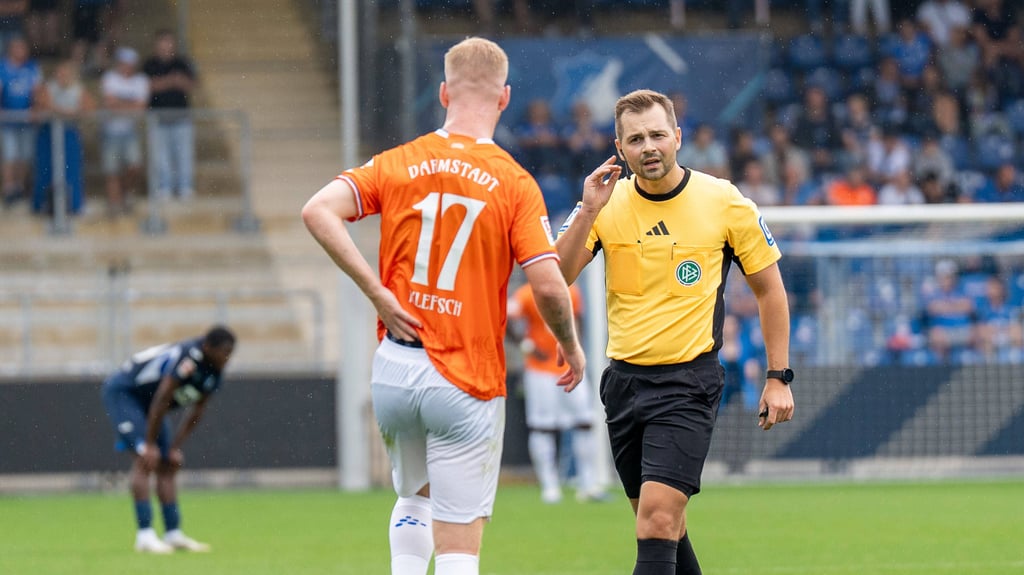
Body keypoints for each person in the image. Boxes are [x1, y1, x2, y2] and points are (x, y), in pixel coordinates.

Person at [301, 37, 585, 575]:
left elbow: (318, 211)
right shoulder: (514, 182)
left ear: (442, 93)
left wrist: (377, 292)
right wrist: (570, 346)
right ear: (505, 98)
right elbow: (548, 285)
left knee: (412, 500)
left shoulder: (398, 162)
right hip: (465, 375)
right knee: (459, 539)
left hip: (396, 367)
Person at [555, 89, 794, 575]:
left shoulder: (724, 201)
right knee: (664, 524)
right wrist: (586, 211)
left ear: (678, 137)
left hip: (688, 384)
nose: (650, 147)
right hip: (623, 384)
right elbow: (554, 278)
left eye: (658, 134)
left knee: (657, 521)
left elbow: (771, 291)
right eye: (636, 138)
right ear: (619, 149)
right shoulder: (603, 204)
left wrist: (778, 376)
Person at [100, 325, 237, 554]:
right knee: (146, 458)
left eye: (230, 353)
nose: (226, 358)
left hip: (152, 404)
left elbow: (197, 411)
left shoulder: (216, 370)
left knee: (169, 463)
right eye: (223, 352)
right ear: (207, 347)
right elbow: (164, 396)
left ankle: (173, 533)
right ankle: (145, 536)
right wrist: (150, 444)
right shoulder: (189, 357)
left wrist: (174, 447)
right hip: (127, 394)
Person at [507, 282, 602, 504]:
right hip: (539, 370)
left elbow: (578, 322)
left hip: (569, 365)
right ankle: (550, 487)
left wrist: (576, 349)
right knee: (543, 426)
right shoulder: (527, 293)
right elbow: (507, 319)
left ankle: (588, 483)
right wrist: (526, 346)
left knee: (585, 421)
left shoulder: (572, 291)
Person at [143, 29, 197, 200]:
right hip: (158, 117)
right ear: (156, 44)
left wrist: (166, 82)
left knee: (183, 154)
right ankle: (164, 187)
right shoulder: (149, 64)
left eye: (169, 42)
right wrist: (172, 81)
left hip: (181, 116)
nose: (165, 46)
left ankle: (185, 187)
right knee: (161, 156)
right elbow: (149, 86)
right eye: (162, 42)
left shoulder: (182, 62)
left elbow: (191, 85)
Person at [100, 46, 148, 215]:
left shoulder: (141, 80)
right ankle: (114, 203)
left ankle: (125, 193)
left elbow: (140, 107)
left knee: (134, 166)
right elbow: (110, 104)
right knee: (111, 170)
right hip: (111, 131)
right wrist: (130, 106)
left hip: (130, 131)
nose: (124, 66)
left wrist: (120, 105)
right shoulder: (110, 78)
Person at [0, 35, 42, 207]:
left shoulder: (32, 67)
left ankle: (19, 186)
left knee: (25, 156)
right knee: (10, 154)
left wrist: (36, 108)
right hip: (8, 120)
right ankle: (8, 188)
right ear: (12, 49)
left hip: (26, 120)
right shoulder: (3, 67)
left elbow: (37, 91)